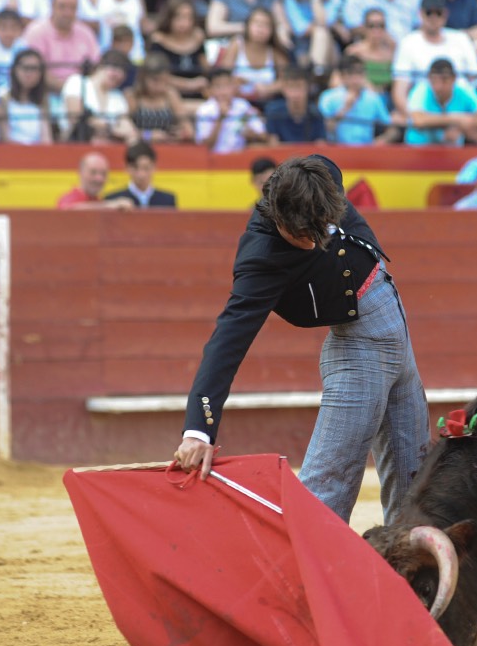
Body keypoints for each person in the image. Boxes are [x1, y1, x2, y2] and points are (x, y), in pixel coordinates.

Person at [172, 154, 430, 525]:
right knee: (326, 486)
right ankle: (297, 578)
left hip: (393, 323)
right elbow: (227, 340)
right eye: (301, 236)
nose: (314, 243)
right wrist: (199, 429)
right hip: (360, 342)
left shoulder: (320, 173)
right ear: (278, 218)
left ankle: (410, 576)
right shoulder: (261, 259)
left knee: (415, 482)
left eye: (320, 229)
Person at [391, 0, 477, 119]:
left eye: (438, 13)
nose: (433, 17)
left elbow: (475, 83)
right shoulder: (408, 42)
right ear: (420, 14)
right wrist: (416, 119)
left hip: (461, 113)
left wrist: (466, 118)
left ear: (445, 14)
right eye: (429, 13)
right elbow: (399, 91)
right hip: (422, 111)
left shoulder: (461, 38)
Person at [23, 0, 100, 98]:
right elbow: (34, 71)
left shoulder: (86, 33)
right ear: (52, 6)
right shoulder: (36, 32)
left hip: (82, 95)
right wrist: (70, 90)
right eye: (62, 7)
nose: (68, 13)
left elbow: (96, 66)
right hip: (44, 95)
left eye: (73, 8)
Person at [404, 56, 477, 145]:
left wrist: (460, 127)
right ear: (429, 79)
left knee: (475, 133)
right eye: (434, 81)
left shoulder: (463, 89)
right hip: (419, 149)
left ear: (454, 78)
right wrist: (456, 120)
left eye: (444, 80)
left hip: (453, 149)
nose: (439, 86)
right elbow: (418, 120)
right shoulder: (421, 89)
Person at [282, 0, 346, 75]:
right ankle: (316, 73)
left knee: (322, 33)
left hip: (329, 49)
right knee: (320, 31)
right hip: (302, 47)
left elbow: (324, 22)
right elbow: (301, 29)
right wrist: (328, 26)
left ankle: (316, 73)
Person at [218, 6, 290, 108]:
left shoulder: (275, 52)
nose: (260, 29)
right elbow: (222, 75)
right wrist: (236, 82)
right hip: (236, 103)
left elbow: (287, 80)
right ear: (248, 25)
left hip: (267, 104)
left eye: (266, 25)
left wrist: (268, 88)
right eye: (257, 24)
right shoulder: (236, 44)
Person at [61, 47, 138, 143]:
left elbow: (125, 125)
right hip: (80, 141)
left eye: (123, 71)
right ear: (101, 65)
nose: (119, 74)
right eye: (115, 68)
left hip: (109, 144)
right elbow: (75, 117)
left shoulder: (117, 97)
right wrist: (111, 128)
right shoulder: (78, 82)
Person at [318, 53, 397, 144]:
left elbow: (392, 129)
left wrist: (381, 141)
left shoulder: (373, 98)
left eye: (359, 73)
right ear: (342, 76)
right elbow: (322, 131)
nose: (356, 78)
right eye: (351, 74)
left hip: (366, 152)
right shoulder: (328, 97)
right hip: (336, 150)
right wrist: (344, 109)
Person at [147, 0, 209, 107]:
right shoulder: (158, 40)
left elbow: (206, 68)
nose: (183, 23)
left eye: (188, 17)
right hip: (168, 97)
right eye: (179, 17)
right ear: (169, 17)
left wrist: (203, 82)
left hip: (198, 96)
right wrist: (189, 85)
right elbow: (157, 76)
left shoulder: (198, 36)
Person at [195, 66, 269, 152]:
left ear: (234, 87)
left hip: (239, 158)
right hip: (214, 160)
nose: (223, 91)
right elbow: (205, 146)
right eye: (218, 86)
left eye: (227, 85)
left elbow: (263, 135)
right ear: (210, 89)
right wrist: (220, 118)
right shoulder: (204, 110)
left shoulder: (243, 106)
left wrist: (252, 135)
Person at [126, 50, 194, 143]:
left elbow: (187, 127)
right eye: (155, 80)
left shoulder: (170, 95)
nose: (160, 85)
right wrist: (148, 135)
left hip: (168, 145)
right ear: (143, 78)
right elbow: (123, 129)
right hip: (139, 146)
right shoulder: (132, 96)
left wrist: (180, 133)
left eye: (164, 80)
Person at [0, 48, 55, 144]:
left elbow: (47, 139)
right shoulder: (3, 97)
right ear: (14, 70)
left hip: (39, 154)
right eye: (25, 68)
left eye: (34, 69)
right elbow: (4, 138)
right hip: (11, 154)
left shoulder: (43, 100)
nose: (29, 73)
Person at [263, 64, 327, 142]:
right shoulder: (274, 112)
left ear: (308, 89)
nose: (295, 94)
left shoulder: (316, 114)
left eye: (299, 87)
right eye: (291, 87)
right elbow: (273, 146)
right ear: (284, 89)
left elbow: (320, 145)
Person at [104, 140, 177, 207]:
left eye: (146, 168)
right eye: (135, 168)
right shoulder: (113, 200)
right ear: (127, 168)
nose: (141, 174)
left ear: (154, 167)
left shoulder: (168, 201)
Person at [57, 150, 133, 207]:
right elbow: (70, 211)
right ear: (80, 172)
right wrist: (109, 206)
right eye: (93, 172)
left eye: (103, 174)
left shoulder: (100, 201)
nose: (99, 178)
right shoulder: (68, 199)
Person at [0, 9, 27, 95]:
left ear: (20, 30)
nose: (8, 33)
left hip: (15, 95)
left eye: (13, 28)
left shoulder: (23, 47)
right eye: (3, 28)